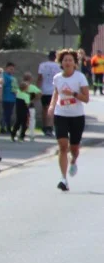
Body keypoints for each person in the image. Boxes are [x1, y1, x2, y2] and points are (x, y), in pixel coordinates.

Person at [49, 50, 90, 192]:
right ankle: (63, 179)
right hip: (61, 114)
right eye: (65, 60)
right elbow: (56, 92)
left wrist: (72, 93)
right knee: (62, 146)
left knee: (74, 148)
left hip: (77, 116)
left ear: (74, 63)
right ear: (61, 62)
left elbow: (86, 98)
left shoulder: (80, 78)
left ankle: (73, 160)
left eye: (70, 60)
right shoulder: (57, 78)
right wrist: (51, 106)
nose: (67, 62)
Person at [38, 51, 61, 136]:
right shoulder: (58, 66)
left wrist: (38, 89)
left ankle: (44, 126)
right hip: (53, 90)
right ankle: (49, 127)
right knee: (52, 109)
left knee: (44, 109)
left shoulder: (42, 65)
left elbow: (40, 78)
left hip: (44, 90)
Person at [10, 72, 34, 142]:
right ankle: (21, 136)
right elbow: (27, 104)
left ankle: (13, 134)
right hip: (24, 111)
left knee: (17, 123)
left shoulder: (18, 92)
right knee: (24, 124)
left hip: (18, 110)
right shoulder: (26, 96)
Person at [0, 62, 17, 134]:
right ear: (6, 68)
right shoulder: (4, 76)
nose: (12, 71)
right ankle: (4, 128)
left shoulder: (13, 77)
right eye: (10, 69)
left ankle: (7, 127)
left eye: (13, 69)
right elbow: (0, 86)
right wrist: (0, 95)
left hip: (12, 98)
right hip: (6, 97)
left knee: (9, 113)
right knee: (6, 113)